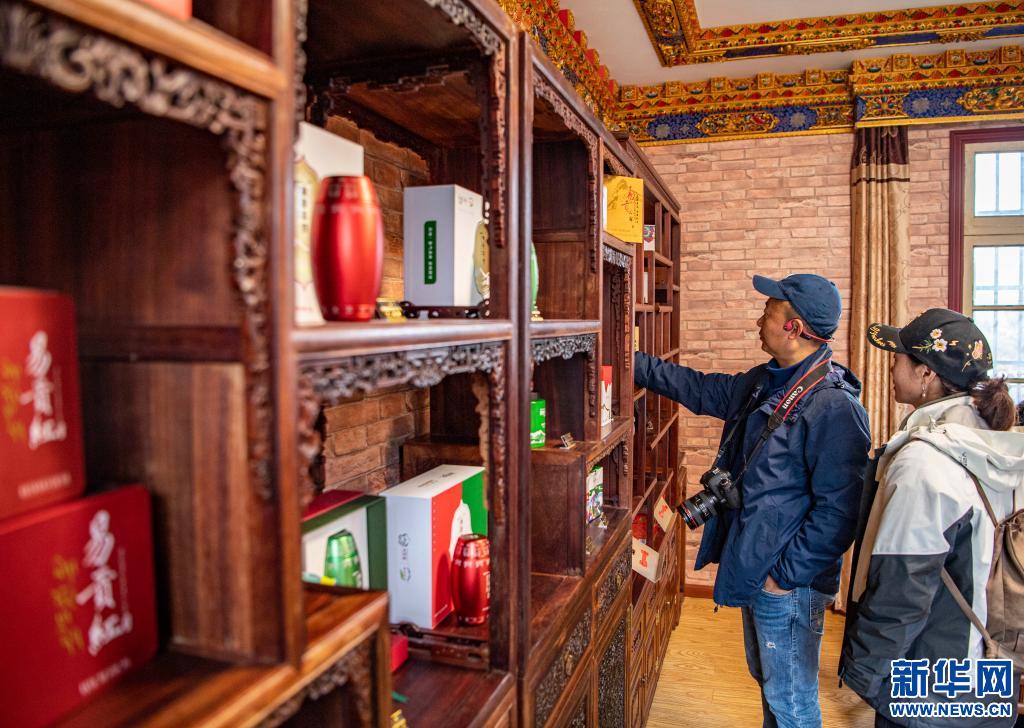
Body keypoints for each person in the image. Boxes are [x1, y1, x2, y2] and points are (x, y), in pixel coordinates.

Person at [635, 273, 871, 728]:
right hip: (758, 561)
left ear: (793, 328)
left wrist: (783, 577)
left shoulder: (834, 407)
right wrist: (629, 359)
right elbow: (698, 387)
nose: (758, 321)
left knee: (791, 700)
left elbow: (840, 514)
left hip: (789, 582)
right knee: (770, 683)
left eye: (767, 312)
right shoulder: (766, 381)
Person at [839, 309, 1024, 727]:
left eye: (899, 358)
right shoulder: (997, 443)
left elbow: (902, 587)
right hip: (993, 666)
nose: (892, 367)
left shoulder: (925, 461)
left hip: (930, 675)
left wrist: (866, 674)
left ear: (926, 374)